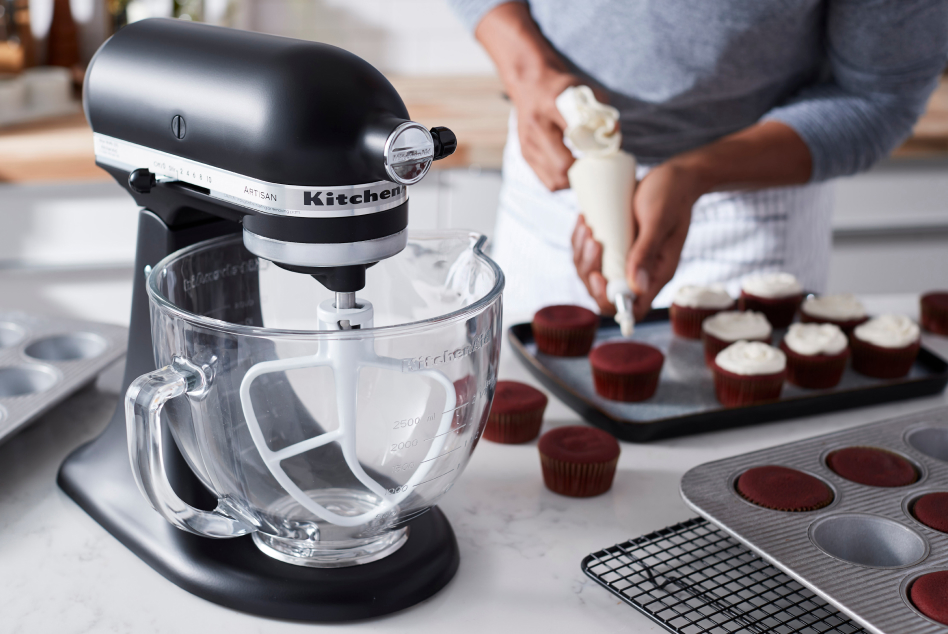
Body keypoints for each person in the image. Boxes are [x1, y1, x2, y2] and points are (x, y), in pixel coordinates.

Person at [447, 0, 948, 322]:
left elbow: (879, 97)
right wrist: (525, 68)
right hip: (551, 173)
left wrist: (694, 174)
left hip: (748, 206)